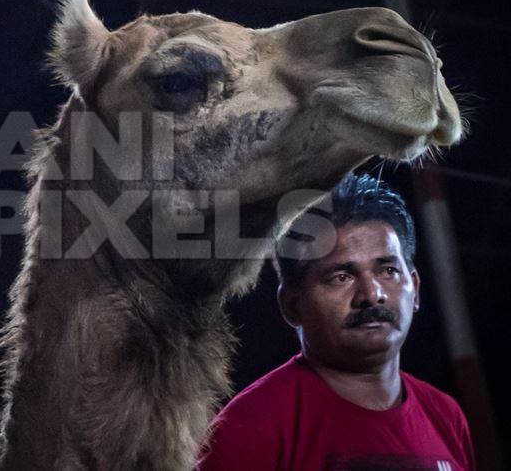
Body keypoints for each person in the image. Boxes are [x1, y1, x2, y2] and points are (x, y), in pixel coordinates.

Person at [198, 173, 475, 471]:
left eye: (388, 271)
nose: (372, 294)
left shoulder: (446, 417)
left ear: (416, 289)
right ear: (291, 305)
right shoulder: (250, 427)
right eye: (341, 277)